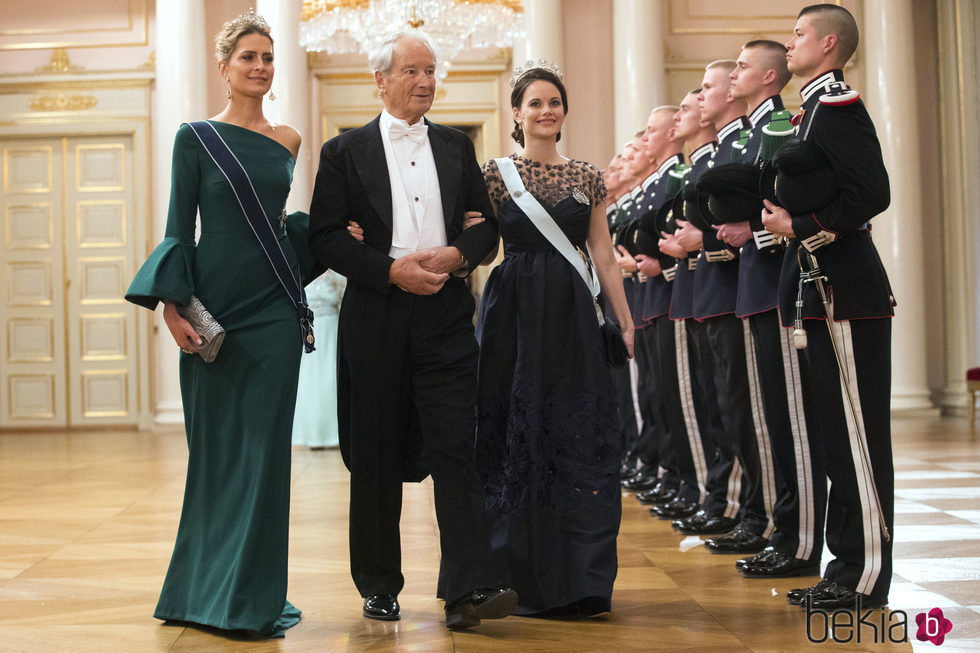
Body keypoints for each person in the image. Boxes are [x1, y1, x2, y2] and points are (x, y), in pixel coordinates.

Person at [307, 30, 516, 630]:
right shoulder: (343, 151)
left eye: (431, 71)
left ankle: (468, 587)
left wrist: (457, 254)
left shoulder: (456, 146)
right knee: (374, 453)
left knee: (458, 448)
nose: (425, 81)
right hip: (376, 312)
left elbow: (486, 230)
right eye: (412, 71)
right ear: (381, 80)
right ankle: (378, 585)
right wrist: (387, 270)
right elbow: (323, 236)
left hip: (446, 315)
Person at [124, 11, 303, 638]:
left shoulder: (289, 140)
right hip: (214, 311)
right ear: (224, 66)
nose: (260, 67)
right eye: (248, 57)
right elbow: (180, 227)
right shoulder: (194, 137)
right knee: (218, 456)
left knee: (265, 457)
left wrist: (324, 238)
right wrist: (172, 307)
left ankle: (251, 600)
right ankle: (201, 593)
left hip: (275, 313)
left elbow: (279, 226)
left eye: (267, 57)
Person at [476, 61, 634, 617]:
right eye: (535, 103)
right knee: (517, 428)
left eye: (554, 102)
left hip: (573, 316)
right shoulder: (494, 175)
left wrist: (625, 319)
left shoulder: (588, 175)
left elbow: (605, 257)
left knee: (577, 429)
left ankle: (580, 578)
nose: (547, 111)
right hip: (512, 316)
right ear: (516, 114)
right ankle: (513, 570)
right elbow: (467, 240)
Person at [763, 3, 894, 610]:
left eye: (798, 35)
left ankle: (865, 577)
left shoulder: (836, 105)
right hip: (821, 292)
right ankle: (844, 568)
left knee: (858, 439)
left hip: (846, 291)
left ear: (830, 43)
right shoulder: (811, 107)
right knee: (835, 439)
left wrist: (804, 226)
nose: (790, 45)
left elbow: (872, 193)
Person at [724, 40, 827, 579]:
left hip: (778, 283)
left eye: (743, 65)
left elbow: (787, 203)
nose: (736, 72)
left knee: (791, 421)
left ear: (768, 76)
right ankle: (784, 530)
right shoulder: (751, 131)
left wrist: (756, 231)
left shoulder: (780, 126)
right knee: (766, 420)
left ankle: (802, 539)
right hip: (757, 285)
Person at [291, 269, 346, 449]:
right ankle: (314, 435)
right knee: (310, 381)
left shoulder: (337, 278)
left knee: (331, 379)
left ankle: (336, 434)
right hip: (310, 333)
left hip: (331, 330)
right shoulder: (302, 273)